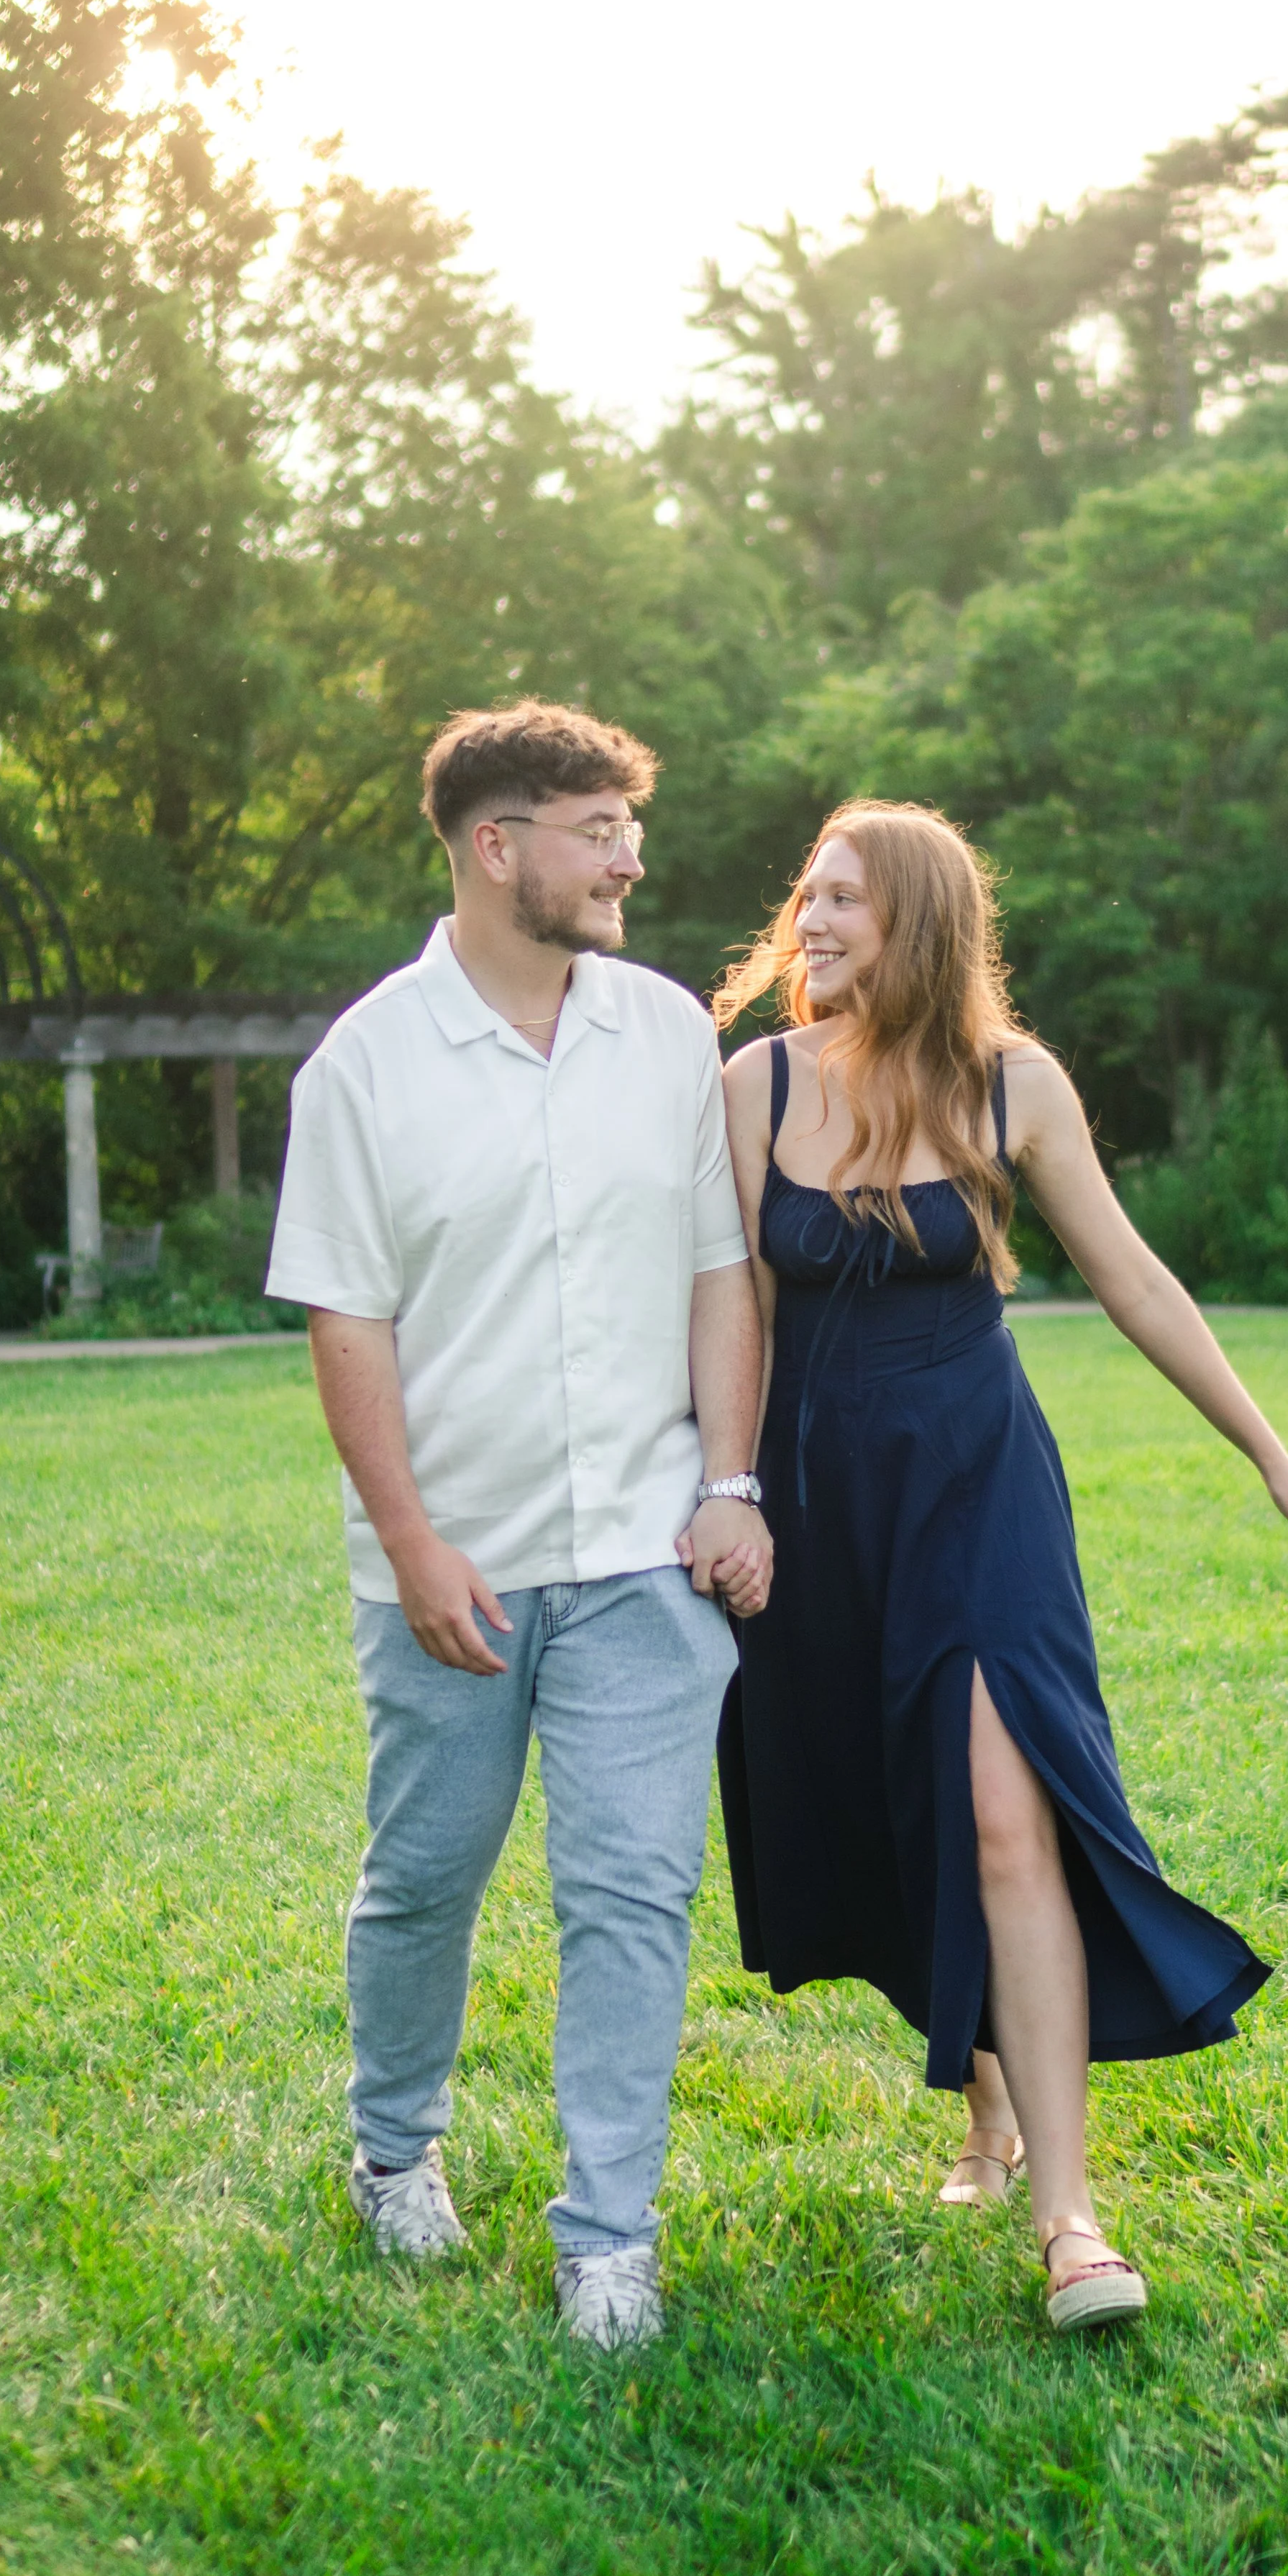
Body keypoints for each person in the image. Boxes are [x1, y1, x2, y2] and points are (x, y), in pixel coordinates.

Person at [713, 800, 1288, 2335]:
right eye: (808, 896)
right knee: (893, 1802)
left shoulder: (1017, 1085)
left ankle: (1070, 2220)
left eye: (846, 900)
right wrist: (733, 1491)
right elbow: (735, 1311)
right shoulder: (754, 1084)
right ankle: (984, 2104)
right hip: (817, 1499)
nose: (811, 922)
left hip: (975, 1484)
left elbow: (1134, 1281)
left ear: (921, 921)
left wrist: (1271, 1455)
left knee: (1011, 1813)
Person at [265, 698, 772, 2352]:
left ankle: (607, 2237)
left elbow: (719, 1274)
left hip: (642, 1556)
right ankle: (390, 2149)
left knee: (631, 1898)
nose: (630, 862)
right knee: (424, 1882)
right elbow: (346, 1322)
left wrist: (727, 1483)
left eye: (631, 828)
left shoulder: (665, 1035)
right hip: (454, 1569)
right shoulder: (364, 1068)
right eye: (597, 831)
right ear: (497, 849)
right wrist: (412, 1544)